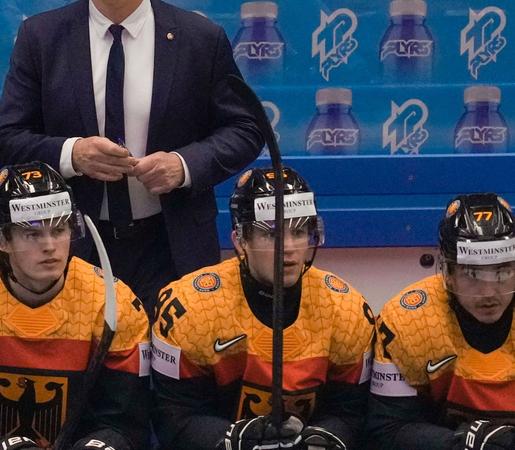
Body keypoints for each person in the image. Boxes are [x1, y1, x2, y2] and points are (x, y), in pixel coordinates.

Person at [0, 0, 263, 314]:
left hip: (170, 247)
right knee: (86, 376)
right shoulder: (42, 39)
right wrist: (72, 154)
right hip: (70, 246)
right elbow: (6, 140)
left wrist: (184, 165)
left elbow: (246, 130)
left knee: (173, 376)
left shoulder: (199, 40)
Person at [150, 166, 375, 450]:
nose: (290, 248)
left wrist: (324, 438)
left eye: (299, 231)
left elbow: (353, 414)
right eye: (272, 234)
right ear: (240, 240)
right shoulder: (187, 306)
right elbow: (173, 417)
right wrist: (232, 440)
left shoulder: (348, 309)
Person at [368, 192, 515, 450]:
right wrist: (462, 443)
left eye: (502, 271)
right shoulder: (405, 322)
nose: (489, 293)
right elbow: (386, 430)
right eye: (472, 274)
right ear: (447, 272)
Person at [0, 162, 150, 450]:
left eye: (60, 229)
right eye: (33, 234)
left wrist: (99, 446)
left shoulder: (117, 303)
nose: (50, 246)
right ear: (2, 239)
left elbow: (126, 422)